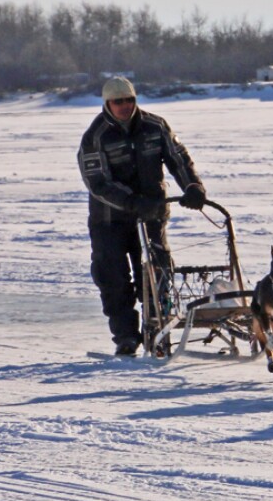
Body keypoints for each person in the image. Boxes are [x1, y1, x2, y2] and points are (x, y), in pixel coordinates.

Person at [77, 77, 207, 356]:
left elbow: (179, 158)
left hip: (152, 215)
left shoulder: (155, 126)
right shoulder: (95, 136)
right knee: (113, 279)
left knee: (156, 274)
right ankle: (125, 336)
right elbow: (97, 182)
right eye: (118, 101)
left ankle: (157, 330)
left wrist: (193, 186)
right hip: (109, 220)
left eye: (130, 100)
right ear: (107, 104)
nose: (125, 106)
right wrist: (132, 202)